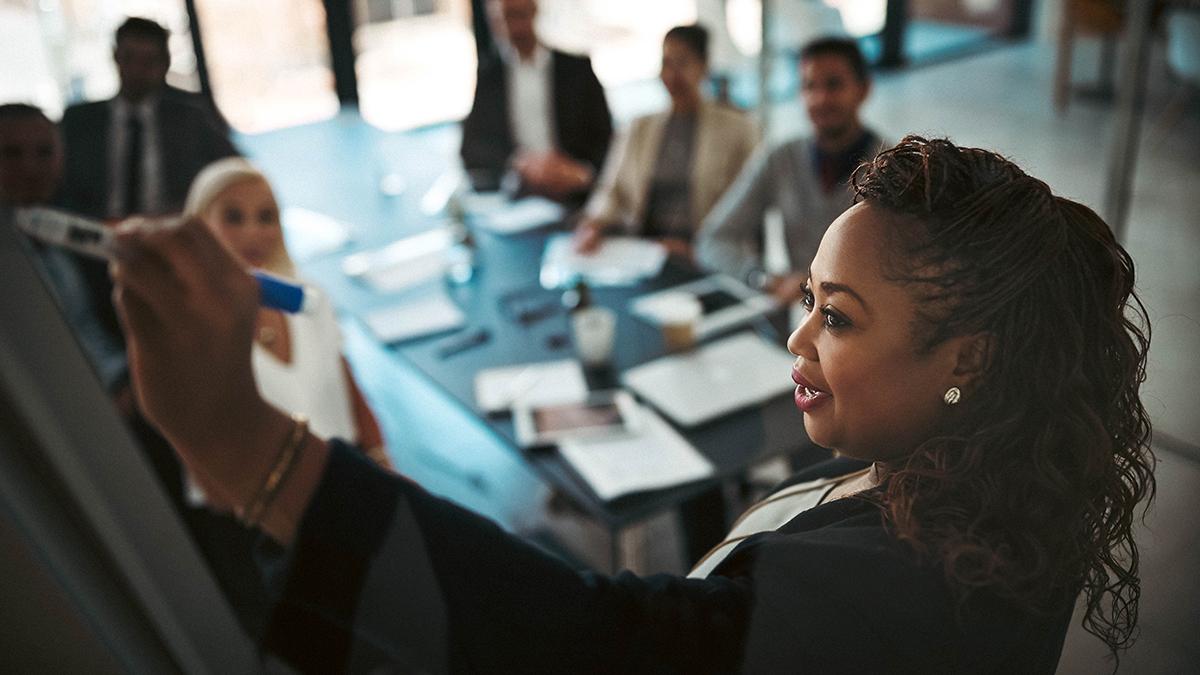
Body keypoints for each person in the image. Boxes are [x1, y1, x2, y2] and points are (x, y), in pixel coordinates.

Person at [111, 136, 1155, 672]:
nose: (796, 339)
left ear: (961, 358)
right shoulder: (996, 488)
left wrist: (245, 444)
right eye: (805, 303)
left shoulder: (906, 596)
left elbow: (588, 648)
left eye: (837, 317)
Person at [183, 158, 389, 471]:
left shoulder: (308, 297)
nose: (253, 232)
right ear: (199, 226)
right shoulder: (192, 332)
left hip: (347, 473)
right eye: (234, 217)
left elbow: (346, 380)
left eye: (266, 217)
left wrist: (381, 459)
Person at [58, 16, 239, 352]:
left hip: (172, 243)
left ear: (164, 64)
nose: (138, 70)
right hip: (97, 247)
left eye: (149, 61)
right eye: (129, 58)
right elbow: (57, 190)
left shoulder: (192, 116)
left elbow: (235, 178)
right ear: (116, 58)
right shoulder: (80, 122)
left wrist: (178, 221)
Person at [696, 37, 888, 304]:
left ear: (864, 89)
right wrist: (761, 277)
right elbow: (713, 239)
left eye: (833, 84)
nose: (820, 99)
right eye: (809, 86)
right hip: (798, 317)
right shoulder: (781, 157)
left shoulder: (893, 169)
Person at [573, 24, 759, 260]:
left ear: (703, 67)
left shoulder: (738, 129)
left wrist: (698, 251)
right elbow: (612, 190)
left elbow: (746, 211)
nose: (671, 75)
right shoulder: (640, 127)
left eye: (682, 63)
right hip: (644, 250)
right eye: (666, 64)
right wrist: (593, 225)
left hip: (703, 255)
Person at [0, 103, 126, 392]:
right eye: (10, 154)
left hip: (121, 377)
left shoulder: (78, 226)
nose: (30, 168)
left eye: (44, 152)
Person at [460, 0, 613, 202]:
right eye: (503, 19)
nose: (512, 28)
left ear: (534, 11)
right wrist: (519, 165)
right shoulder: (490, 76)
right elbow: (473, 147)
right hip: (519, 196)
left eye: (518, 15)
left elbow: (608, 139)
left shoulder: (576, 69)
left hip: (575, 192)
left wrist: (582, 172)